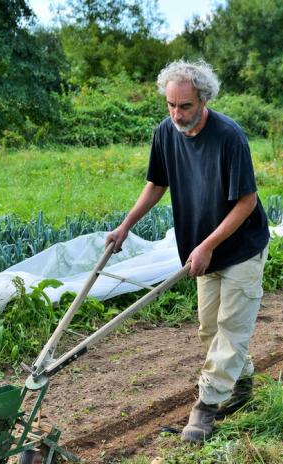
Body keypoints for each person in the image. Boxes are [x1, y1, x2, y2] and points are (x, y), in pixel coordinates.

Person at [106, 60, 270, 443]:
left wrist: (209, 245)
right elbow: (156, 184)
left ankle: (205, 409)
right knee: (209, 330)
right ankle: (241, 388)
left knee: (231, 329)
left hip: (240, 248)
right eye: (170, 105)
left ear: (204, 99)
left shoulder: (230, 137)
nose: (177, 114)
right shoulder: (166, 133)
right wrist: (125, 225)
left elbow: (247, 201)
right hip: (201, 248)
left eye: (185, 107)